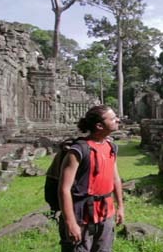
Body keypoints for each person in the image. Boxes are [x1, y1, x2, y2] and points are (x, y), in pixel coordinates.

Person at [59, 105, 124, 252]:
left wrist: (120, 207)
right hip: (81, 216)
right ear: (99, 125)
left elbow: (115, 179)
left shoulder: (110, 147)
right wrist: (70, 222)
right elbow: (64, 189)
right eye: (113, 118)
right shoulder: (78, 150)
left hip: (106, 212)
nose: (117, 120)